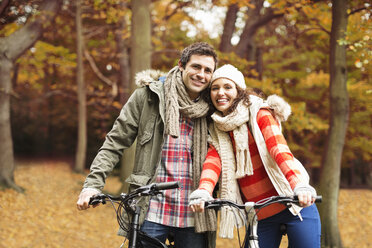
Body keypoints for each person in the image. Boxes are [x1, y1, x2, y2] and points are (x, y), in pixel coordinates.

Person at [76, 42, 219, 248]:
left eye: (208, 70)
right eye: (196, 67)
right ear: (181, 66)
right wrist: (92, 185)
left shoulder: (214, 108)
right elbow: (115, 142)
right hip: (150, 211)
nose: (201, 74)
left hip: (194, 214)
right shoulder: (148, 96)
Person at [189, 64, 321, 248]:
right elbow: (213, 161)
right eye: (215, 88)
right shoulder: (217, 128)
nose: (221, 93)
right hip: (261, 215)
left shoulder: (259, 113)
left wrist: (299, 184)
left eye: (228, 87)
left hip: (293, 204)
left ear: (239, 91)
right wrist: (204, 190)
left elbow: (279, 149)